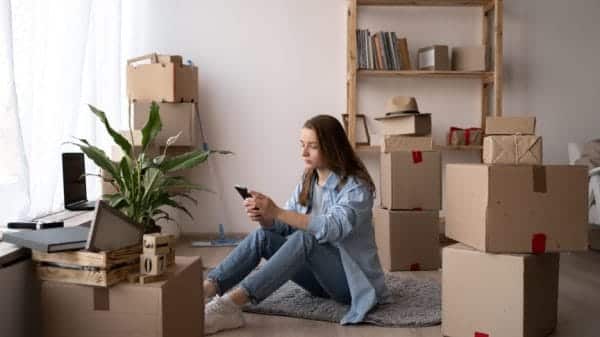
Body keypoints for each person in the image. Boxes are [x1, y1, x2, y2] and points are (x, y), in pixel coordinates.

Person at [203, 115, 391, 335]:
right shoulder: (308, 180)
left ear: (332, 147)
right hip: (319, 279)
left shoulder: (356, 188)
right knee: (263, 236)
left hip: (352, 284)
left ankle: (230, 305)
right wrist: (266, 217)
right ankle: (206, 290)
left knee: (305, 239)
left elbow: (331, 228)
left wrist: (278, 211)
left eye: (312, 147)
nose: (303, 153)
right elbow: (286, 226)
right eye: (302, 145)